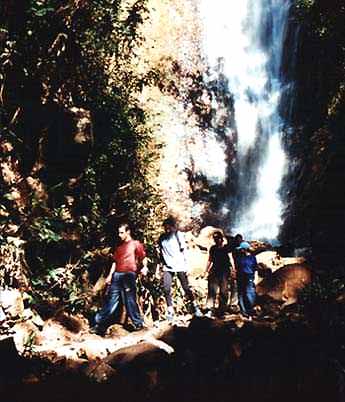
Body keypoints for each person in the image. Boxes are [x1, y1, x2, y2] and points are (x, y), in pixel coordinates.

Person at [91, 223, 148, 335]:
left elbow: (143, 257)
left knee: (130, 300)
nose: (119, 235)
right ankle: (98, 324)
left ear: (128, 232)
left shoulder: (135, 244)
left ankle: (138, 324)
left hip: (129, 275)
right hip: (117, 275)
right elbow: (114, 262)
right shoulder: (119, 247)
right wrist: (110, 276)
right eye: (119, 232)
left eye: (122, 232)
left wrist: (145, 267)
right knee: (111, 301)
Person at [158, 216, 202, 321]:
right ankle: (170, 310)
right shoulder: (162, 238)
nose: (167, 229)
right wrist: (159, 267)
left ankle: (195, 306)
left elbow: (184, 251)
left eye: (169, 227)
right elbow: (160, 252)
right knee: (166, 288)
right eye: (166, 227)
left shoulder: (178, 235)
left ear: (173, 226)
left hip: (180, 265)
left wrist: (187, 265)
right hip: (168, 267)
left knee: (186, 287)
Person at [204, 231, 235, 317]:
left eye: (218, 238)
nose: (217, 240)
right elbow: (210, 259)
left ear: (221, 239)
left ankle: (222, 310)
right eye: (215, 239)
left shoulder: (226, 248)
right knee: (212, 291)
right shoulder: (213, 248)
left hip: (224, 272)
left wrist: (233, 270)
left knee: (223, 291)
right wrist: (206, 270)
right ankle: (210, 309)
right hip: (214, 271)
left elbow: (231, 258)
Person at [235, 241, 258, 320]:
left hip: (249, 276)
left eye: (241, 249)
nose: (240, 250)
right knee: (241, 294)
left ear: (245, 249)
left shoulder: (252, 258)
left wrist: (255, 278)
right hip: (240, 276)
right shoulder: (239, 258)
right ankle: (243, 312)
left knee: (249, 293)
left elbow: (255, 268)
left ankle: (251, 311)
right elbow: (237, 268)